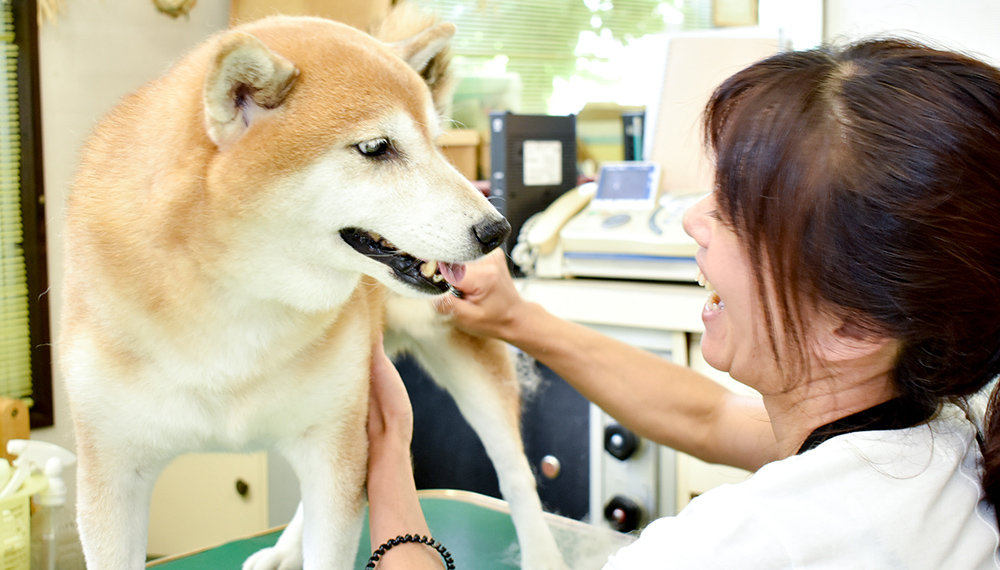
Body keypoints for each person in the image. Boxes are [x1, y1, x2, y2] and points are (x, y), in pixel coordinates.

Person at [365, 37, 1000, 568]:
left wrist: (388, 458)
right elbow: (711, 417)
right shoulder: (943, 446)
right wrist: (516, 319)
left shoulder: (742, 546)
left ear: (854, 326)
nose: (695, 218)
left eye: (735, 211)